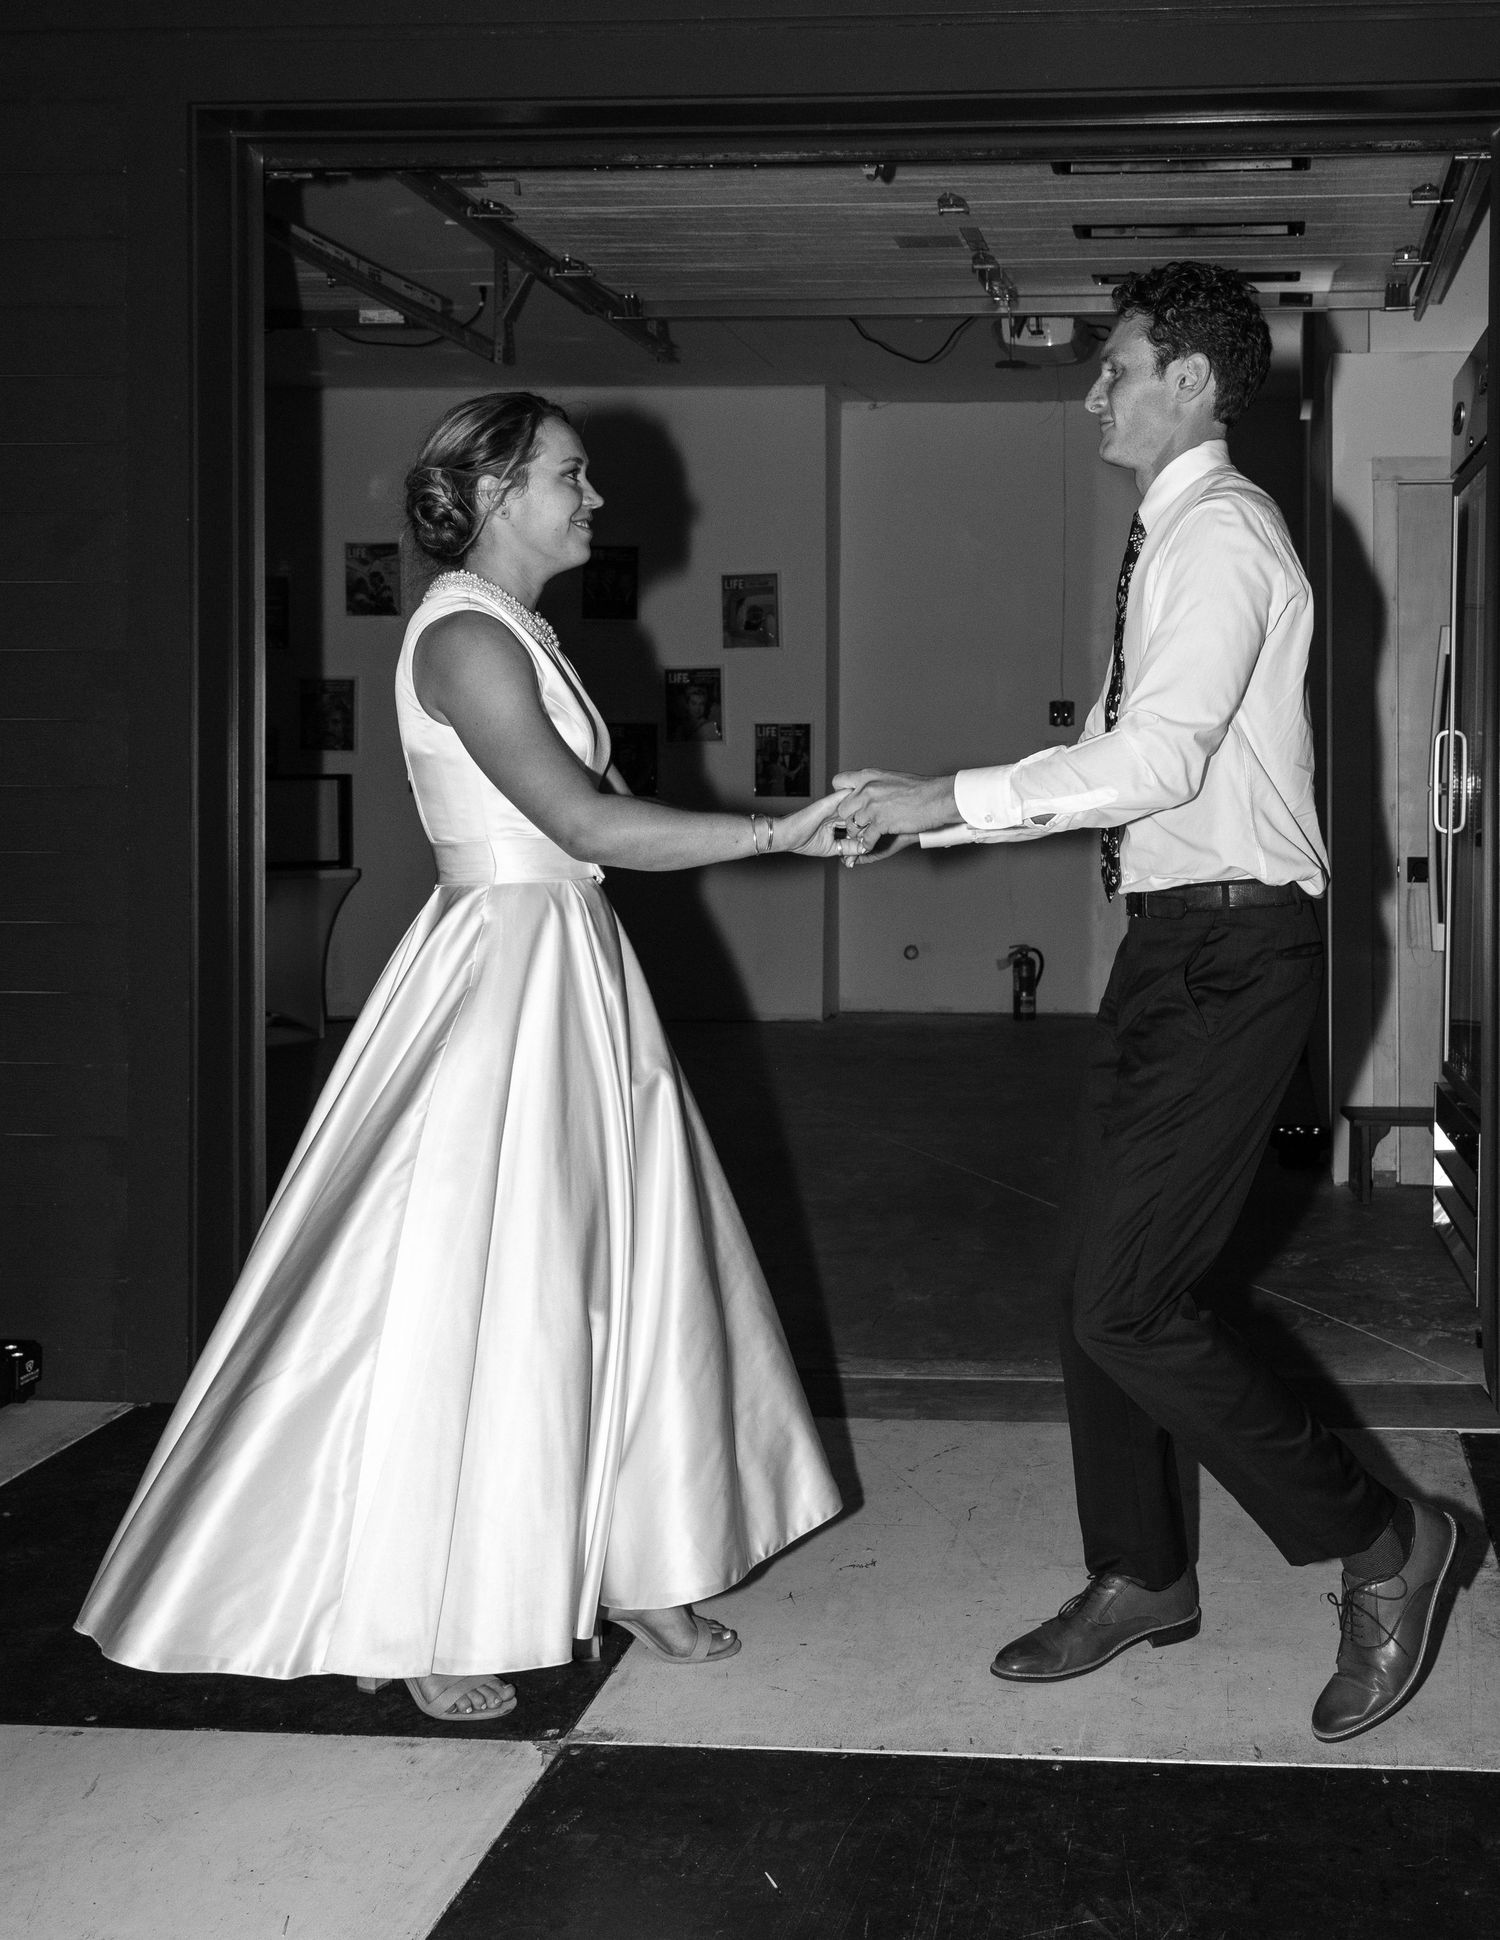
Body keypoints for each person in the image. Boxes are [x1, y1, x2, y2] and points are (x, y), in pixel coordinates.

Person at [77, 392, 846, 1724]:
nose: (593, 498)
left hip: (567, 961)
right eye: (569, 475)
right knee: (482, 1283)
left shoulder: (520, 627)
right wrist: (783, 834)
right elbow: (582, 824)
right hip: (503, 973)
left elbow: (594, 826)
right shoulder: (465, 637)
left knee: (609, 1263)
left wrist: (779, 833)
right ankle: (428, 1607)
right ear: (492, 493)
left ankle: (635, 1560)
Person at [832, 262, 1459, 1744]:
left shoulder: (1222, 534)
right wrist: (937, 811)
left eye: (1114, 366)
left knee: (1131, 1303)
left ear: (1191, 378)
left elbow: (1155, 762)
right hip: (1177, 945)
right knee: (1093, 1292)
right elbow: (1142, 762)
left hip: (1236, 954)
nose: (1091, 391)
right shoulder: (1171, 536)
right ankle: (1144, 1573)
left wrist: (943, 797)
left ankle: (1388, 1543)